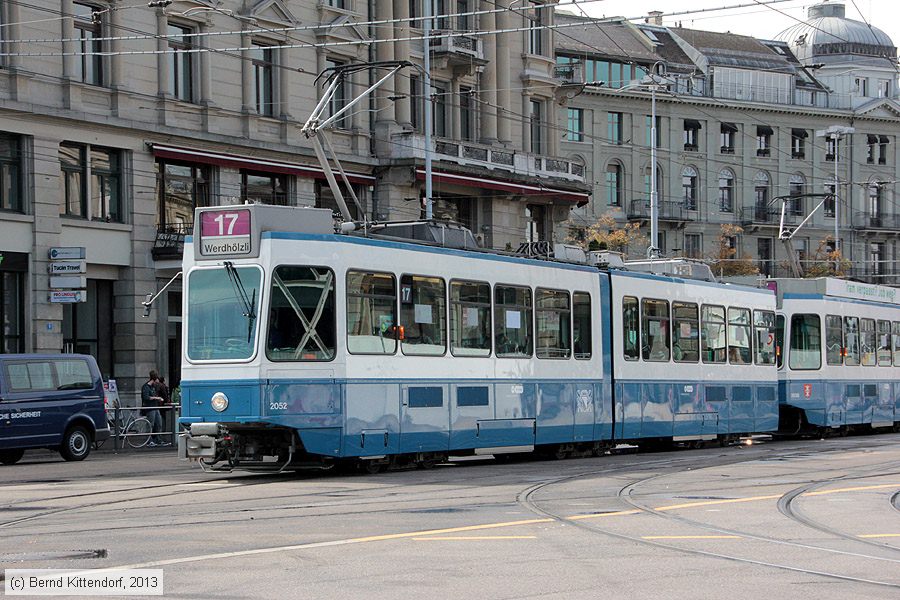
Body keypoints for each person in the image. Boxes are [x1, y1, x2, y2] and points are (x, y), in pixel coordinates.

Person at [141, 370, 164, 447]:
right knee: (151, 424)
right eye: (156, 380)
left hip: (155, 407)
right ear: (154, 379)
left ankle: (158, 439)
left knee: (159, 423)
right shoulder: (146, 387)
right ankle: (149, 440)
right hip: (150, 408)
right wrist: (157, 398)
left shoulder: (153, 387)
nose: (157, 382)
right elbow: (146, 397)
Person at [156, 376, 171, 444]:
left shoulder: (156, 385)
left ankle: (158, 436)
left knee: (159, 420)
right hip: (162, 405)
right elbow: (165, 396)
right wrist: (168, 401)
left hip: (158, 405)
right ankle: (162, 436)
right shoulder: (163, 386)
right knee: (162, 420)